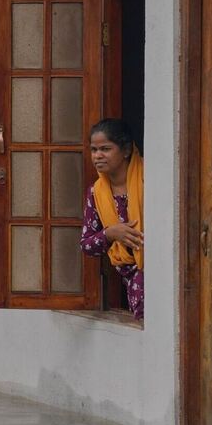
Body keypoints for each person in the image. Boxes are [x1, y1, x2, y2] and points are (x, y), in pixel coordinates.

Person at [79, 119, 144, 319]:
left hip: (162, 277)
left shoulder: (151, 179)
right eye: (94, 149)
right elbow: (87, 245)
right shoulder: (96, 192)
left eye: (106, 149)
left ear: (125, 150)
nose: (98, 156)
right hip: (132, 283)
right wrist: (110, 234)